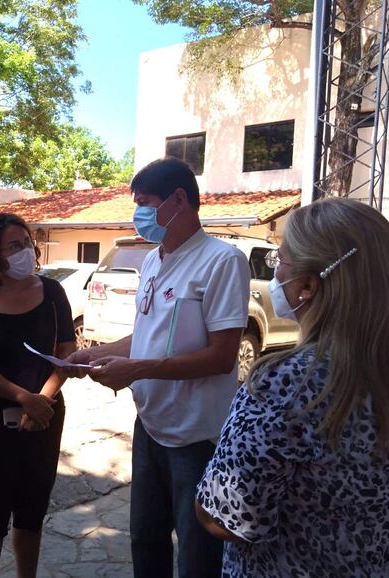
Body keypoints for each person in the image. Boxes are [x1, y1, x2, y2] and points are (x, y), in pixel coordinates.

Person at [195, 198, 389, 576]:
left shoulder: (284, 385)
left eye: (279, 261)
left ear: (306, 285)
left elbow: (226, 518)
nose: (275, 273)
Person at [65, 157, 250, 578]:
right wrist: (92, 354)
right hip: (150, 425)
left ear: (179, 200)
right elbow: (145, 335)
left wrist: (135, 370)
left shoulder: (222, 261)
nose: (138, 213)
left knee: (196, 551)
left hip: (195, 436)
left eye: (144, 202)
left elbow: (222, 356)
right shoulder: (152, 259)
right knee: (145, 539)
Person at [0, 213, 76, 578]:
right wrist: (24, 397)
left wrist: (43, 399)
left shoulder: (53, 293)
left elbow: (67, 352)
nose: (25, 251)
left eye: (27, 243)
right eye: (14, 245)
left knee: (31, 511)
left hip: (44, 416)